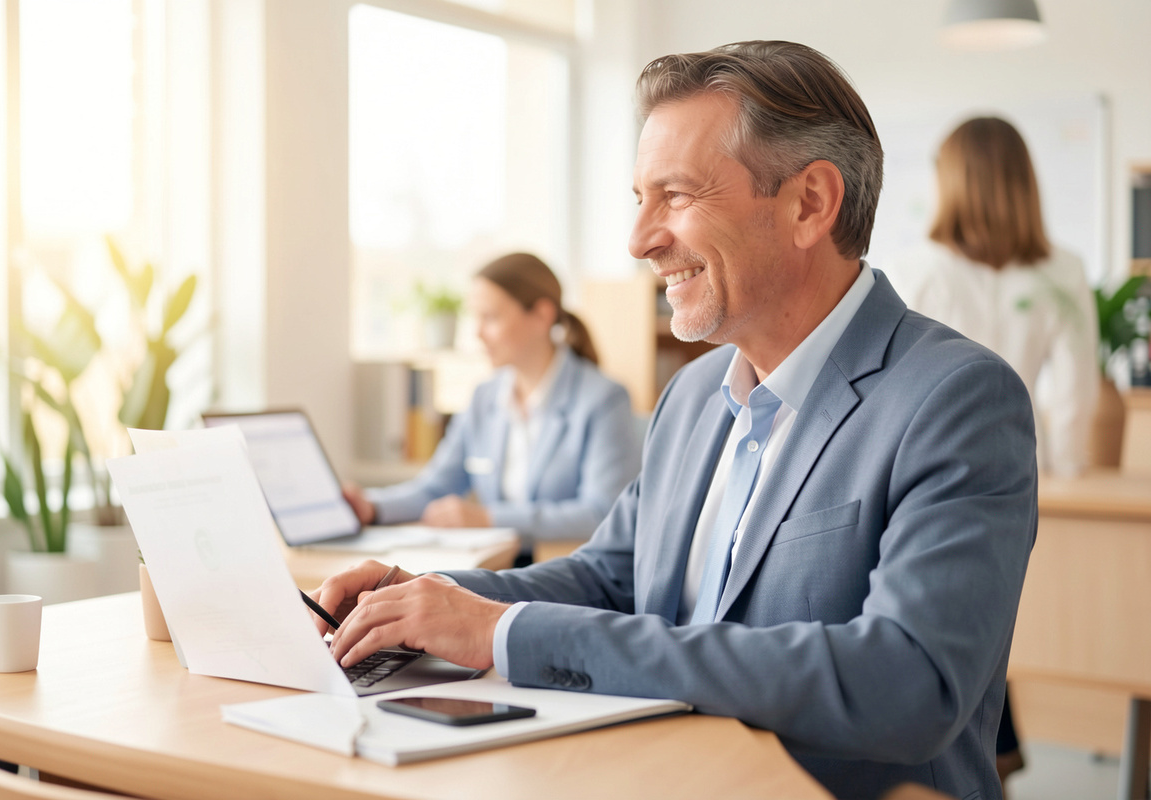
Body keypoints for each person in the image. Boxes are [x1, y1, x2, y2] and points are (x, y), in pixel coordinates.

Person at [313, 41, 1037, 800]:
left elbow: (905, 682)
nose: (640, 240)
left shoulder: (956, 398)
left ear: (810, 204)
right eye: (639, 199)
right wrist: (428, 602)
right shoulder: (692, 396)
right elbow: (613, 577)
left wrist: (502, 635)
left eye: (679, 196)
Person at [343, 252, 640, 565]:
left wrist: (488, 517)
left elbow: (601, 511)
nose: (477, 333)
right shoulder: (484, 398)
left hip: (567, 573)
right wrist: (372, 507)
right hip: (501, 567)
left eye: (491, 318)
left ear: (541, 315)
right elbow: (436, 488)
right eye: (476, 318)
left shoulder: (603, 400)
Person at [894, 116, 1099, 478]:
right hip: (1027, 463)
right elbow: (1074, 392)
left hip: (931, 466)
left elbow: (894, 391)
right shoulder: (1065, 270)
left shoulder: (911, 270)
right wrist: (1065, 474)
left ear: (948, 180)